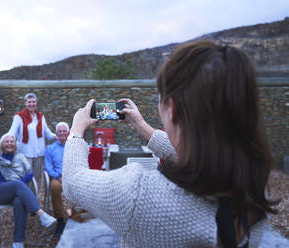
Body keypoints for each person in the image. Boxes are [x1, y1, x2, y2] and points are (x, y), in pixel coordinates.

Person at [62, 41, 285, 247]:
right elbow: (197, 154)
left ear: (174, 110)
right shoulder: (253, 183)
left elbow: (73, 182)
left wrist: (76, 130)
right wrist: (140, 124)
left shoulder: (137, 195)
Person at [0, 133, 56, 248]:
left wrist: (20, 185)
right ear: (2, 144)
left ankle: (18, 242)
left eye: (12, 141)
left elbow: (30, 173)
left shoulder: (20, 157)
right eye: (7, 141)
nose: (9, 143)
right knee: (17, 184)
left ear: (15, 144)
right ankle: (40, 214)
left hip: (16, 191)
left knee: (19, 201)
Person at [8, 93, 56, 189]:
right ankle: (24, 200)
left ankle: (34, 200)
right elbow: (12, 132)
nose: (31, 104)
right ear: (25, 103)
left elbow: (47, 133)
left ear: (36, 103)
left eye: (33, 102)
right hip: (25, 154)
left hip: (39, 154)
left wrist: (57, 136)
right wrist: (8, 141)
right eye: (29, 102)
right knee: (25, 178)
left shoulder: (41, 117)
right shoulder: (19, 117)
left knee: (36, 179)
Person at [44, 122, 69, 235]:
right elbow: (48, 166)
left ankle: (74, 214)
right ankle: (60, 220)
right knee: (54, 187)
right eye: (60, 131)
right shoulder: (50, 148)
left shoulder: (73, 146)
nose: (62, 133)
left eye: (64, 131)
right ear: (56, 133)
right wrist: (57, 176)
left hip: (72, 176)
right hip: (57, 177)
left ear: (68, 133)